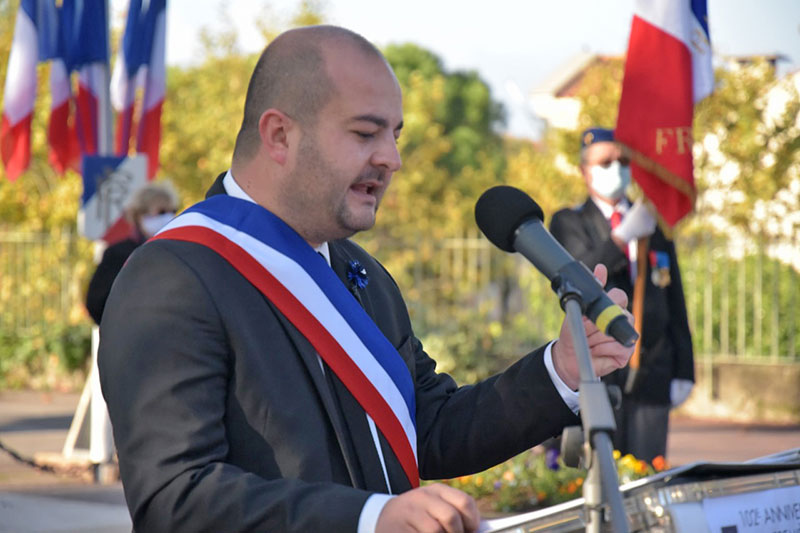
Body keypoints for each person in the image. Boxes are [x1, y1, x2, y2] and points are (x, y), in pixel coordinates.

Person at [97, 27, 634, 533]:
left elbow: (429, 428)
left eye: (394, 134)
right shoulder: (174, 276)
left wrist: (558, 369)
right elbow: (175, 498)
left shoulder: (364, 276)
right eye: (365, 132)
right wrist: (369, 520)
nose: (393, 159)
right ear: (279, 135)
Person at [549, 127, 695, 464]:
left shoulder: (651, 224)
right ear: (585, 171)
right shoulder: (569, 221)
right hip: (599, 371)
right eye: (605, 162)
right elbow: (578, 276)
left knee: (647, 479)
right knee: (603, 476)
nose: (617, 168)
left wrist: (685, 368)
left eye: (623, 160)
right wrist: (621, 237)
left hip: (652, 370)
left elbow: (674, 298)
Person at [85, 181, 179, 325]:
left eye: (173, 211)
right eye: (161, 212)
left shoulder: (178, 252)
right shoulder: (118, 254)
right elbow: (97, 302)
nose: (168, 217)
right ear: (140, 215)